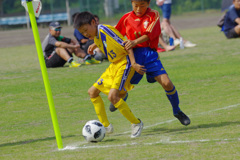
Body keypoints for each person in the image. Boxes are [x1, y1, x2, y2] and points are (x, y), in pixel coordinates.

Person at [110, 0, 191, 126]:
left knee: (167, 83)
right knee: (122, 88)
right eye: (136, 5)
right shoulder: (126, 18)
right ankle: (123, 96)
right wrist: (96, 43)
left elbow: (150, 34)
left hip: (149, 55)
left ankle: (177, 111)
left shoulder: (154, 15)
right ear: (131, 3)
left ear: (148, 4)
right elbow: (114, 33)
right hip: (133, 57)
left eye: (142, 5)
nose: (138, 9)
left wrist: (134, 42)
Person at [73, 11, 144, 138]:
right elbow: (102, 39)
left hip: (124, 63)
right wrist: (95, 43)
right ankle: (105, 126)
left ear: (93, 22)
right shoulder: (96, 34)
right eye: (82, 33)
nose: (85, 34)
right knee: (92, 92)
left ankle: (136, 123)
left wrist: (133, 63)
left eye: (85, 30)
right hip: (113, 65)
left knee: (112, 96)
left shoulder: (104, 30)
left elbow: (126, 43)